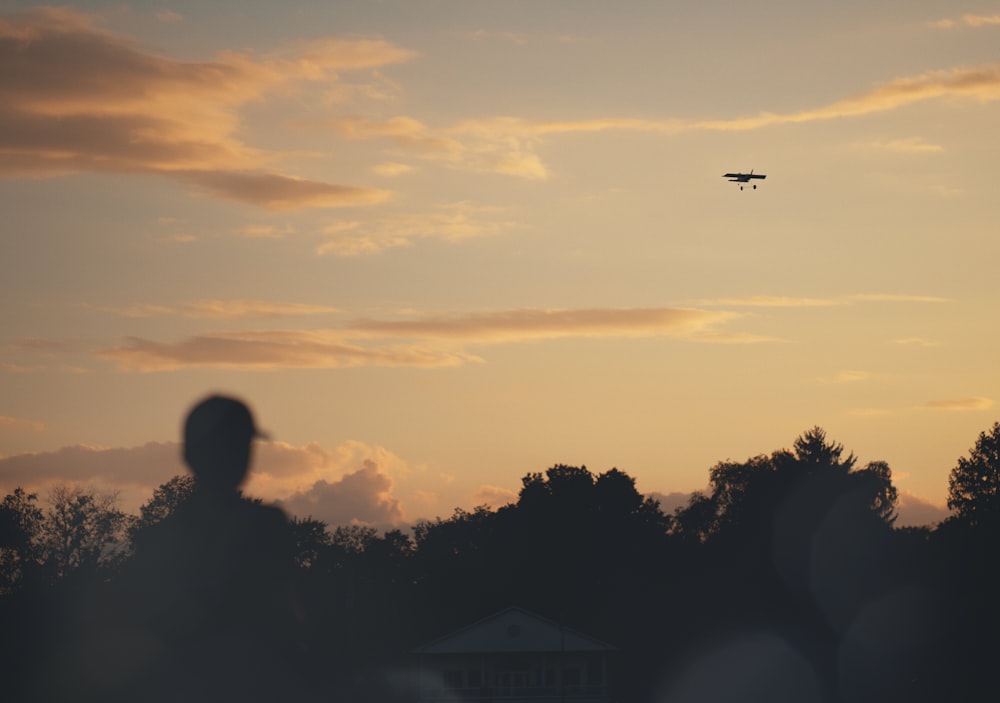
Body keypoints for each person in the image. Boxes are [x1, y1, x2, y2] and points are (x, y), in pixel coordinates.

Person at [96, 395, 310, 702]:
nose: (243, 455)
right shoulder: (266, 528)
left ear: (190, 454)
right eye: (238, 446)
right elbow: (285, 619)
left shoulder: (156, 539)